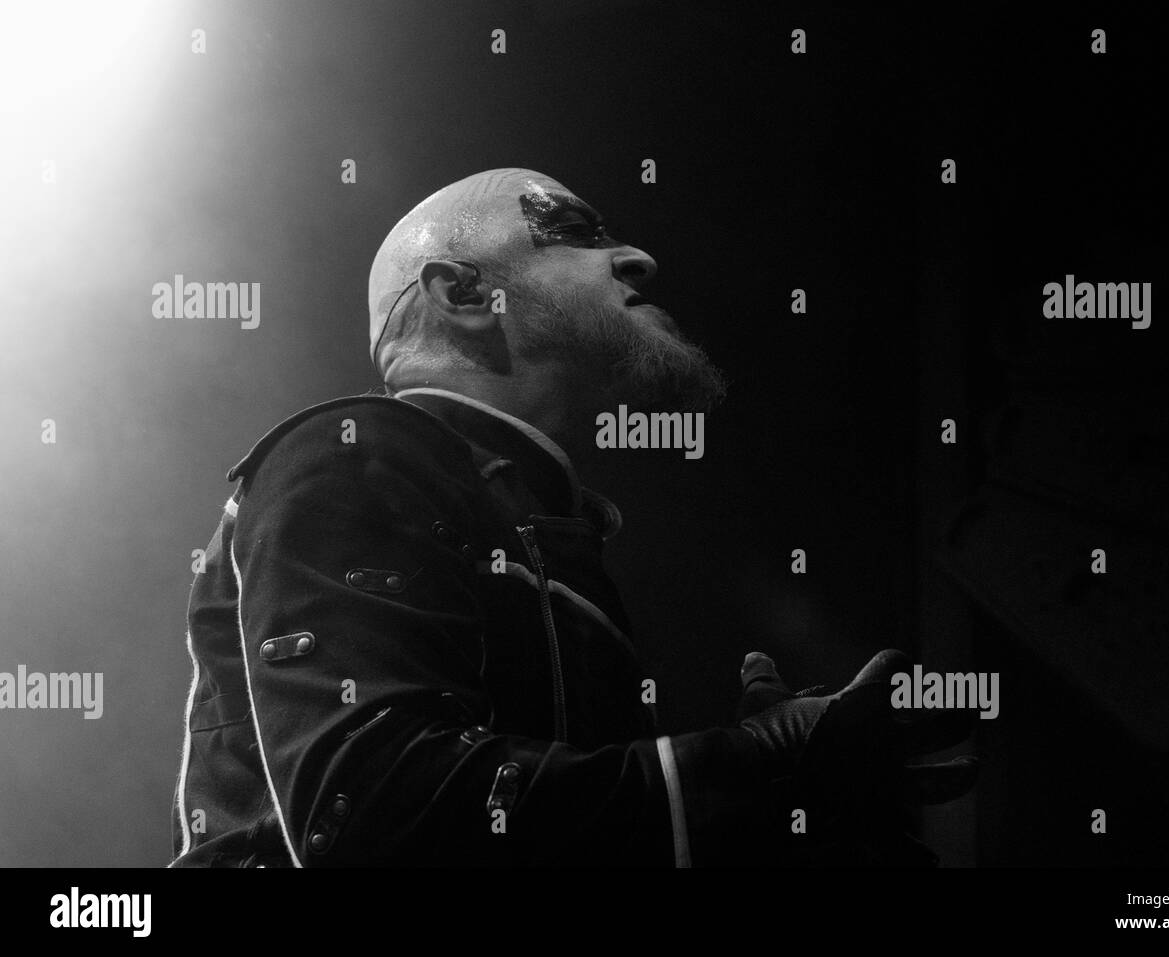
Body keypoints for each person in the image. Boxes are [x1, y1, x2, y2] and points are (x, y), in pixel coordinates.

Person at [169, 167, 976, 867]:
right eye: (576, 231)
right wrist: (763, 763)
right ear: (463, 292)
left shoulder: (541, 523)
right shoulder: (350, 453)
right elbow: (378, 817)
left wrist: (778, 814)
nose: (636, 257)